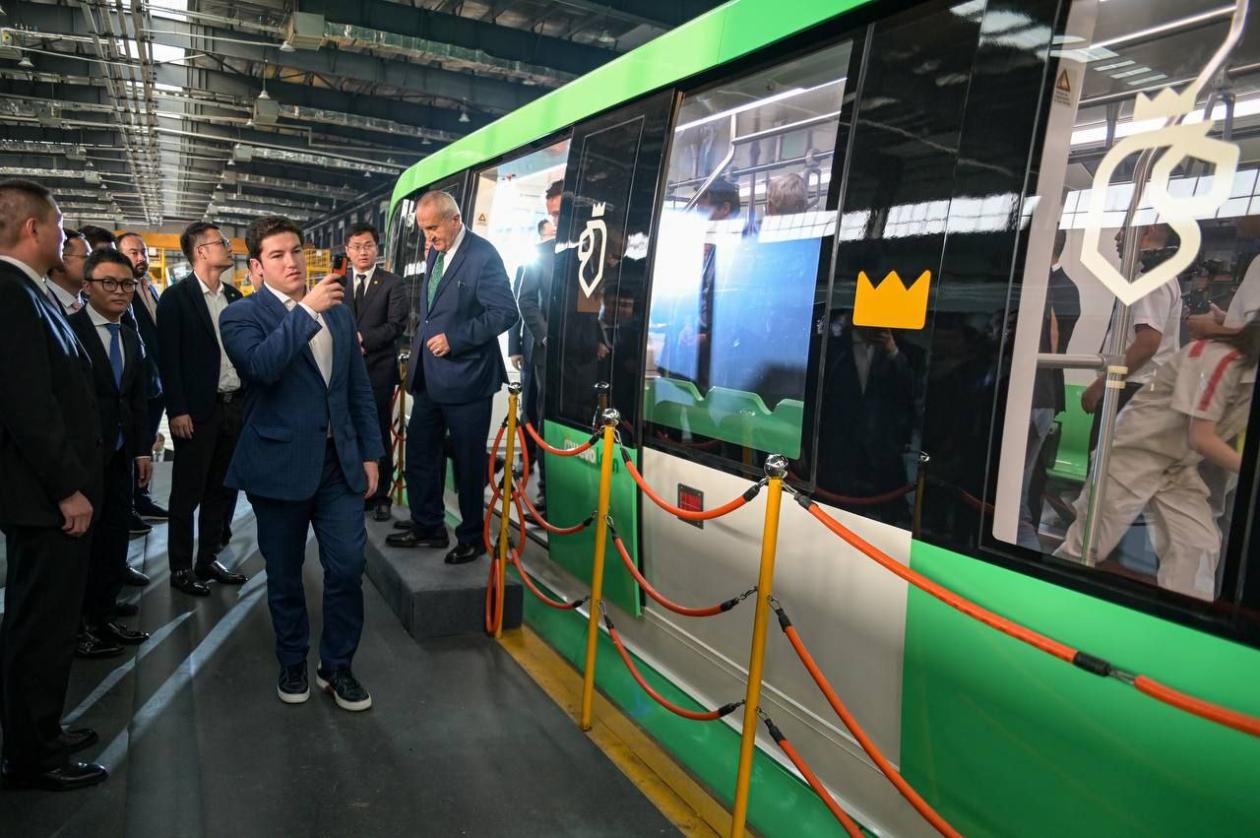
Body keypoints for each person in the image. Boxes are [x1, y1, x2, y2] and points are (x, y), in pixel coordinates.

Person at [219, 216, 383, 711]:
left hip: (338, 464)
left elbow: (356, 388)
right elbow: (262, 367)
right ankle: (292, 660)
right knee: (285, 572)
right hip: (279, 465)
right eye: (277, 255)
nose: (291, 262)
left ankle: (337, 666)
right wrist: (306, 309)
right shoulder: (241, 315)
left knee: (348, 566)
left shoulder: (339, 313)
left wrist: (370, 452)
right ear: (256, 267)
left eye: (295, 251)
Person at [0, 179, 107, 791]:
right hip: (43, 500)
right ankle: (32, 755)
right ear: (32, 227)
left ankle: (41, 730)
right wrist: (68, 487)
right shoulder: (10, 294)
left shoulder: (29, 292)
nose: (67, 238)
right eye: (61, 226)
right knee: (39, 627)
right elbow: (28, 406)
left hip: (47, 496)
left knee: (49, 623)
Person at [1055, 319, 1259, 600]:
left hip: (1177, 467)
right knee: (1088, 546)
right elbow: (1200, 438)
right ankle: (1045, 600)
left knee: (1198, 546)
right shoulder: (1219, 360)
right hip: (1134, 454)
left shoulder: (1246, 373)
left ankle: (1183, 617)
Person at [386, 190, 518, 562]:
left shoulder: (483, 256)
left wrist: (456, 339)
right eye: (424, 230)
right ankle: (428, 525)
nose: (428, 238)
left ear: (455, 219)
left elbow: (506, 313)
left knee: (468, 463)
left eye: (433, 228)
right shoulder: (436, 251)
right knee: (420, 454)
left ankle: (472, 537)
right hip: (430, 376)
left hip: (468, 380)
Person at [67, 249, 154, 657]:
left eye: (127, 284)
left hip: (120, 457)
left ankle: (102, 617)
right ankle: (77, 628)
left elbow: (136, 399)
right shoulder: (69, 331)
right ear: (87, 287)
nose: (120, 291)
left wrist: (142, 451)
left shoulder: (131, 336)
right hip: (82, 459)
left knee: (114, 539)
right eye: (109, 283)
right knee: (81, 548)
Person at [156, 222, 249, 597]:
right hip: (196, 412)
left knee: (221, 491)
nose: (229, 247)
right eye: (221, 242)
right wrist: (177, 409)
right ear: (200, 251)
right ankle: (180, 567)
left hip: (232, 406)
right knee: (187, 493)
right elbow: (168, 360)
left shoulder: (234, 296)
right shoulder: (175, 299)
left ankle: (207, 558)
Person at [1082, 224, 1183, 447]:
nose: (1117, 237)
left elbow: (1147, 343)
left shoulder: (1152, 278)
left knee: (1108, 461)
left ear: (1146, 232)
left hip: (1132, 389)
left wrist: (1102, 384)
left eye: (1124, 230)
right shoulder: (1153, 275)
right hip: (1134, 388)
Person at [341, 222, 407, 522]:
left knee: (377, 430)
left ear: (377, 248)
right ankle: (356, 491)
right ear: (347, 251)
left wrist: (362, 339)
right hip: (343, 372)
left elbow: (396, 325)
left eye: (368, 245)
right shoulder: (336, 283)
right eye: (356, 247)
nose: (362, 252)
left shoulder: (392, 283)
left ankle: (381, 496)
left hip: (377, 370)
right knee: (347, 430)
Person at [1018, 231, 1080, 550]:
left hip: (1036, 395)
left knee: (1020, 492)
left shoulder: (1059, 288)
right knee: (1021, 489)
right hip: (1038, 396)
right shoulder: (1052, 286)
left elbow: (1055, 348)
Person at [514, 181, 563, 510]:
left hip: (585, 355)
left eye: (560, 214)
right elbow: (524, 301)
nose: (556, 222)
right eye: (552, 215)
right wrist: (546, 337)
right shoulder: (540, 255)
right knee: (543, 417)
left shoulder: (597, 250)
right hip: (545, 352)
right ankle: (547, 489)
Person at [117, 232, 169, 541]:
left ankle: (141, 498)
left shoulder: (148, 286)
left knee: (145, 443)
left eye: (143, 252)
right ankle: (128, 507)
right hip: (136, 382)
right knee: (131, 446)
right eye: (133, 252)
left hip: (156, 382)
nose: (140, 257)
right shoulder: (121, 291)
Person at [44, 229, 88, 316]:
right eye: (86, 257)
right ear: (60, 259)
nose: (95, 263)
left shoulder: (93, 308)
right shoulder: (41, 304)